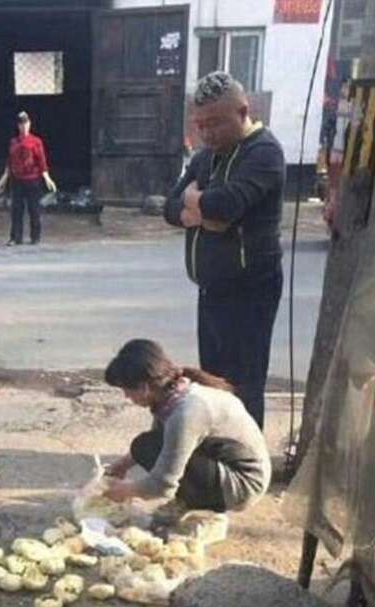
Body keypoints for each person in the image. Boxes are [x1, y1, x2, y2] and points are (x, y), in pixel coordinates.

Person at [163, 71, 286, 428]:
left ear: (243, 110)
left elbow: (226, 205)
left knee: (244, 383)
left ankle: (246, 464)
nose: (207, 132)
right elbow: (170, 207)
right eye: (200, 124)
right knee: (212, 381)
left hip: (250, 289)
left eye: (215, 123)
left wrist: (200, 205)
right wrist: (197, 208)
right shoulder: (207, 157)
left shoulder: (263, 152)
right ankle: (219, 452)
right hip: (212, 289)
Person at [102, 340, 271, 513]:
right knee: (145, 446)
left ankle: (205, 505)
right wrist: (121, 465)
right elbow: (162, 440)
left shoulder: (187, 411)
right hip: (225, 464)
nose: (126, 397)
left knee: (146, 447)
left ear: (144, 387)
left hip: (244, 486)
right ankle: (195, 500)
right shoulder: (172, 393)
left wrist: (125, 490)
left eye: (127, 390)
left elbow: (162, 485)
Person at [0, 111, 56, 246]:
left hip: (32, 179)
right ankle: (15, 237)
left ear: (29, 125)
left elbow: (41, 161)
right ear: (18, 126)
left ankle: (35, 237)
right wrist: (4, 178)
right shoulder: (13, 142)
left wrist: (47, 177)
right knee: (16, 210)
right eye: (21, 124)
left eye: (26, 124)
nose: (24, 127)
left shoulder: (36, 142)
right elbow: (10, 161)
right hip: (17, 180)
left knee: (34, 209)